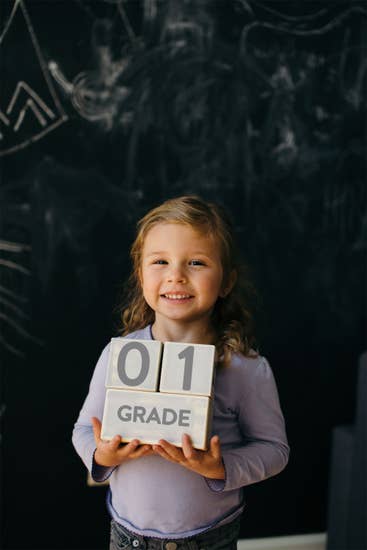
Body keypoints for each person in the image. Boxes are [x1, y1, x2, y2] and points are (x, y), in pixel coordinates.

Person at [72, 195, 289, 550]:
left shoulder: (245, 368)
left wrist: (222, 468)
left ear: (227, 281)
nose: (176, 275)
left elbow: (274, 450)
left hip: (209, 539)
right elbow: (83, 428)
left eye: (197, 262)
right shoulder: (117, 354)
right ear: (141, 275)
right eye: (159, 261)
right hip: (128, 538)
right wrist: (102, 457)